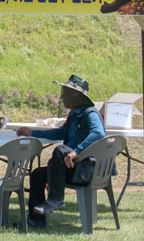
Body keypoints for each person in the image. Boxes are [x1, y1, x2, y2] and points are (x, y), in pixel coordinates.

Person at [26, 74, 107, 226]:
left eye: (66, 93)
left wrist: (76, 152)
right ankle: (36, 220)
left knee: (61, 150)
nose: (63, 97)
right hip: (72, 169)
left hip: (86, 170)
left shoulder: (90, 113)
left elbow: (98, 133)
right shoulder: (74, 115)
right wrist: (32, 133)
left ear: (77, 95)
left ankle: (56, 199)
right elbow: (59, 133)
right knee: (37, 174)